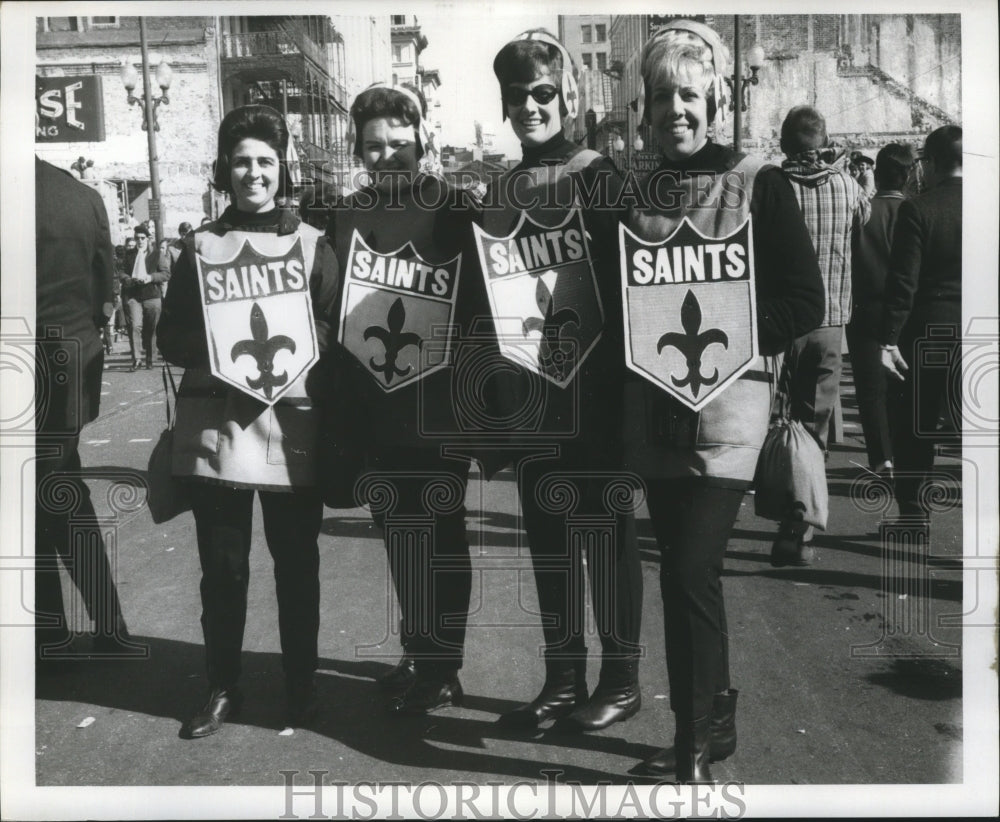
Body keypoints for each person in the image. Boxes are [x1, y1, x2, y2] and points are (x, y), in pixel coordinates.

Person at [623, 20, 824, 782]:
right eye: (660, 95)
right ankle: (716, 716)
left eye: (688, 93)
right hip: (655, 411)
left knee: (688, 571)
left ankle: (692, 744)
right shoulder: (635, 192)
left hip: (730, 411)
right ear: (643, 109)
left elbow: (802, 299)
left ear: (712, 99)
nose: (675, 108)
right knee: (682, 569)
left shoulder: (757, 179)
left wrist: (741, 340)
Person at [157, 104, 339, 737]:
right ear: (223, 171)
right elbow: (170, 334)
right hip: (220, 427)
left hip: (292, 426)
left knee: (297, 564)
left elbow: (332, 329)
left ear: (281, 167)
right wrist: (213, 335)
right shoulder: (199, 247)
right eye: (242, 161)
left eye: (265, 160)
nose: (254, 173)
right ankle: (221, 686)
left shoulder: (314, 244)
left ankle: (302, 689)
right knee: (224, 568)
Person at [483, 30, 643, 733]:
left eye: (542, 93)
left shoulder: (601, 175)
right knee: (548, 540)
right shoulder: (500, 188)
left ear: (569, 95)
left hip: (600, 390)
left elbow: (634, 290)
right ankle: (561, 676)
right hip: (535, 394)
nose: (529, 107)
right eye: (516, 96)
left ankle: (622, 678)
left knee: (606, 538)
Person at [319, 83, 484, 714]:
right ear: (358, 149)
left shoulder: (455, 209)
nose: (386, 155)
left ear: (420, 139)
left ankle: (445, 667)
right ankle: (418, 653)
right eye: (372, 145)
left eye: (397, 143)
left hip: (438, 404)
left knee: (439, 534)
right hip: (372, 404)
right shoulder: (345, 211)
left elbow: (478, 306)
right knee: (397, 534)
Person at [34, 156, 132, 662]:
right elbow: (103, 291)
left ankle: (50, 634)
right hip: (69, 364)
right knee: (62, 491)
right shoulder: (81, 196)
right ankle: (108, 625)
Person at [772, 105, 870, 566]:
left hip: (781, 323)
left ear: (785, 143)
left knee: (776, 419)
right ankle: (799, 524)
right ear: (823, 140)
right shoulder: (847, 187)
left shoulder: (774, 187)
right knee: (814, 425)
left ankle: (779, 501)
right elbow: (865, 221)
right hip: (830, 323)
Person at [880, 125, 962, 521]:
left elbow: (903, 283)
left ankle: (913, 513)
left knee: (916, 424)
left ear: (930, 164)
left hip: (928, 330)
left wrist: (889, 339)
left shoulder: (920, 208)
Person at [846, 143, 915, 476]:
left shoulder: (864, 212)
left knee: (870, 390)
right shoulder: (914, 211)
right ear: (908, 174)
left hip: (865, 308)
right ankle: (904, 453)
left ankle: (881, 457)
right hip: (906, 310)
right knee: (902, 388)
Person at [121, 224, 168, 370]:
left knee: (151, 327)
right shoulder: (129, 255)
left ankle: (150, 357)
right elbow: (121, 272)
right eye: (137, 238)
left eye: (142, 238)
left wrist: (151, 277)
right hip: (134, 296)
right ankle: (137, 359)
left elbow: (166, 274)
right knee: (135, 325)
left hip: (152, 296)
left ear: (148, 239)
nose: (140, 241)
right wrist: (128, 279)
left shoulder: (156, 255)